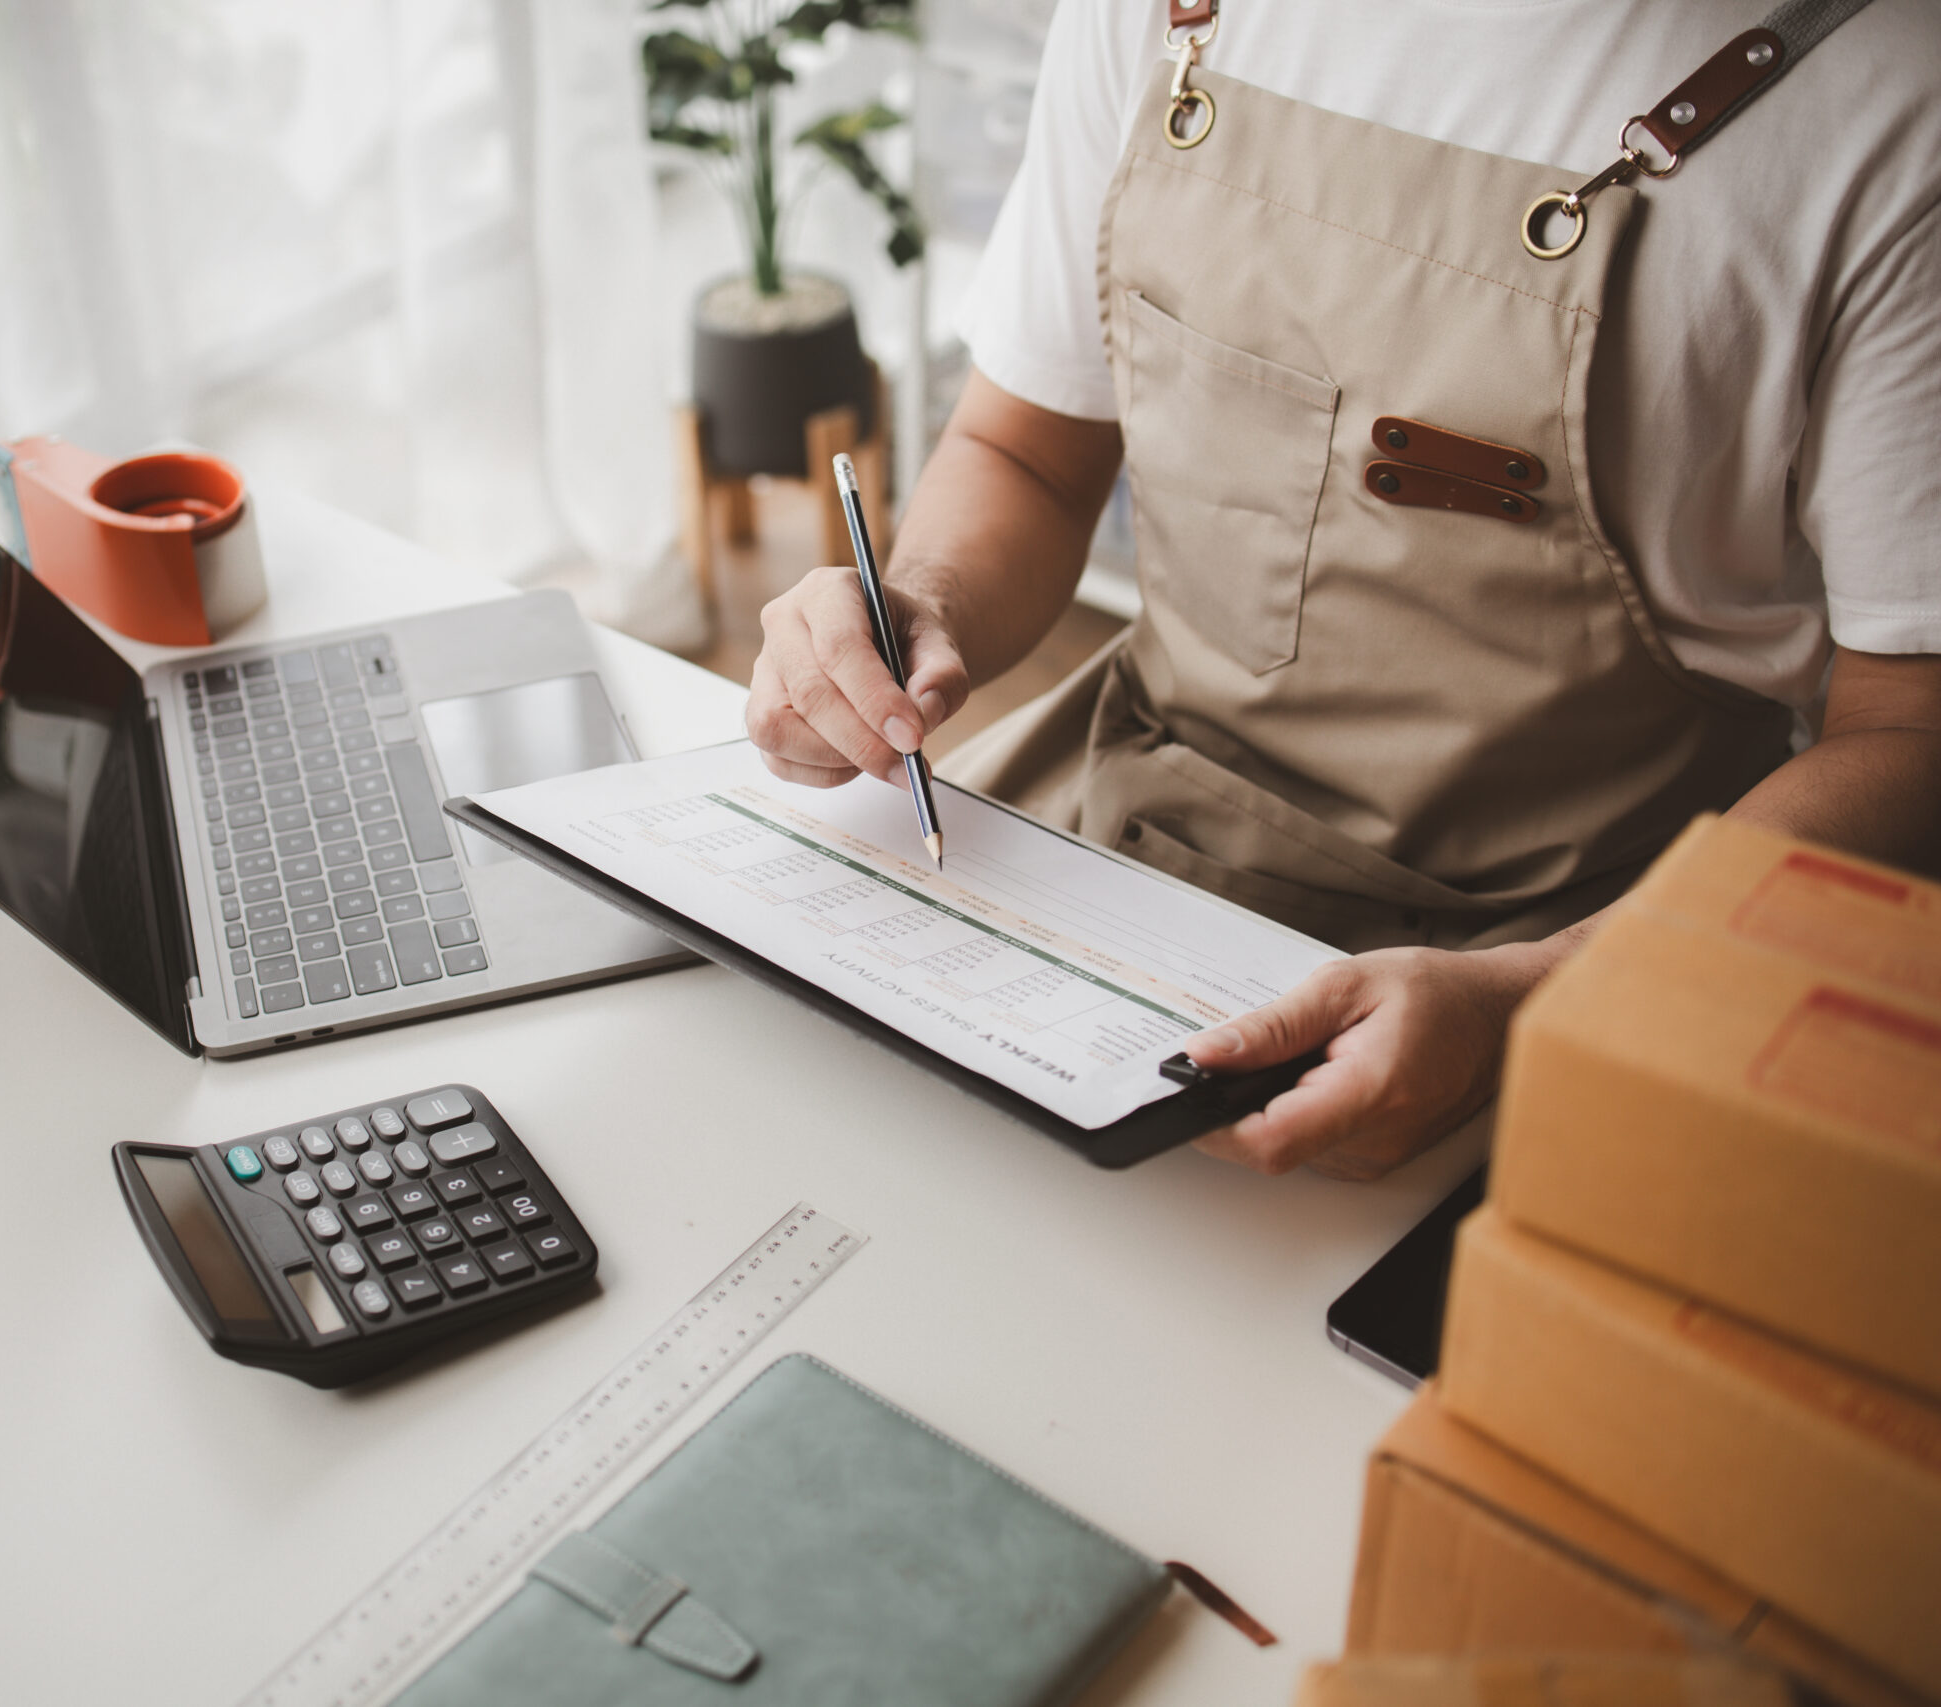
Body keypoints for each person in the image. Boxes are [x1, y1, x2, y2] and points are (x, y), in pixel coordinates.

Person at [746, 0, 1941, 1180]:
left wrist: (1536, 997)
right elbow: (1028, 456)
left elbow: (1907, 730)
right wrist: (915, 610)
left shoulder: (1891, 101)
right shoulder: (1160, 16)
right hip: (1121, 836)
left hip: (1612, 941)